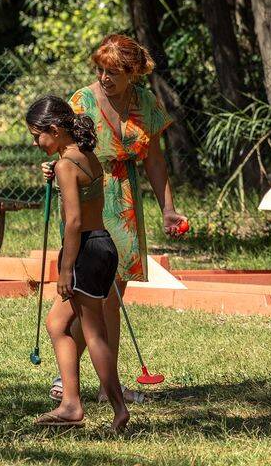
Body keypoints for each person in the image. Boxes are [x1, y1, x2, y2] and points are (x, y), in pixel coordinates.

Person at [42, 34, 188, 404]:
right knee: (86, 295)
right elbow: (62, 145)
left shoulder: (146, 102)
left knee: (112, 293)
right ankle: (74, 382)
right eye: (101, 70)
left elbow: (154, 159)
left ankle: (107, 387)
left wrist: (168, 208)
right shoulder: (82, 101)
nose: (105, 78)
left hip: (124, 201)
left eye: (113, 72)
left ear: (133, 72)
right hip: (90, 196)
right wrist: (53, 168)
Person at [27, 96, 129, 432]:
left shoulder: (65, 165)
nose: (35, 142)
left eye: (37, 135)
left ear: (54, 130)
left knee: (93, 332)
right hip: (103, 244)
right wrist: (54, 169)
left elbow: (72, 222)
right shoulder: (83, 157)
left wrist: (66, 270)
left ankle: (118, 407)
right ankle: (70, 403)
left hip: (84, 250)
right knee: (57, 323)